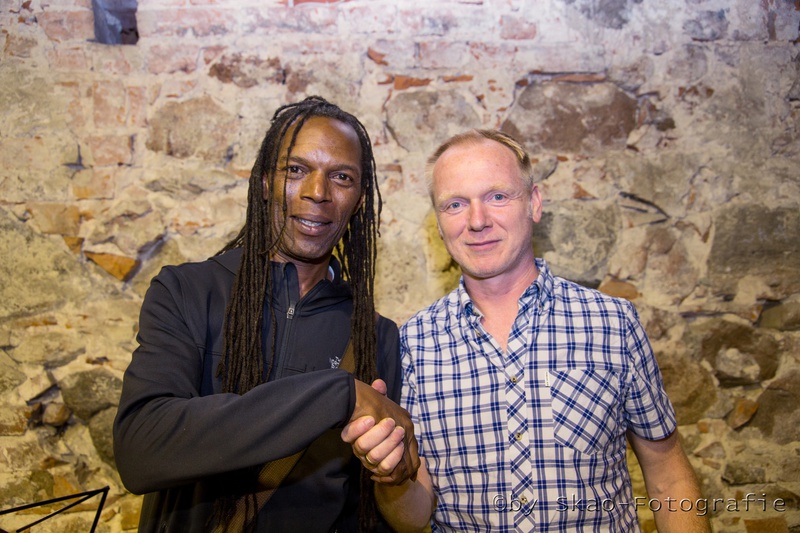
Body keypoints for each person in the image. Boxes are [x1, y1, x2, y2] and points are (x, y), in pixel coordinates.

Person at [343, 129, 711, 532]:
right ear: (439, 222)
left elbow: (667, 473)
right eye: (455, 204)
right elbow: (413, 519)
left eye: (498, 196)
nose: (477, 221)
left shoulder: (612, 323)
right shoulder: (414, 343)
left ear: (534, 203)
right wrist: (392, 474)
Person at [113, 96, 419, 533]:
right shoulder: (187, 292)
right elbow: (141, 449)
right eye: (296, 170)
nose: (318, 192)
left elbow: (372, 509)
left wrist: (391, 472)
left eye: (342, 177)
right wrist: (337, 395)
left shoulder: (375, 336)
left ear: (358, 200)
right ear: (263, 183)